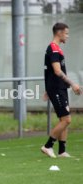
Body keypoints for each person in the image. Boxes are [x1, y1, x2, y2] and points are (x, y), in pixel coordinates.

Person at [41, 23, 82, 158]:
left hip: (59, 88)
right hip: (57, 88)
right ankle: (48, 146)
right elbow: (57, 71)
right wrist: (73, 84)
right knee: (66, 119)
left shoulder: (57, 49)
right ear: (59, 33)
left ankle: (62, 151)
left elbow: (49, 72)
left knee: (64, 118)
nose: (67, 36)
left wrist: (49, 87)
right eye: (66, 33)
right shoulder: (53, 48)